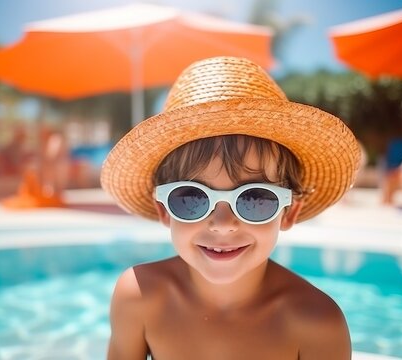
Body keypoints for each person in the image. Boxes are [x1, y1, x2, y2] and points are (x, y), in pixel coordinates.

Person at [100, 57, 360, 359]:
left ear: (289, 212)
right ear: (164, 210)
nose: (223, 224)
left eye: (255, 199)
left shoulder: (316, 323)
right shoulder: (140, 298)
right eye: (191, 197)